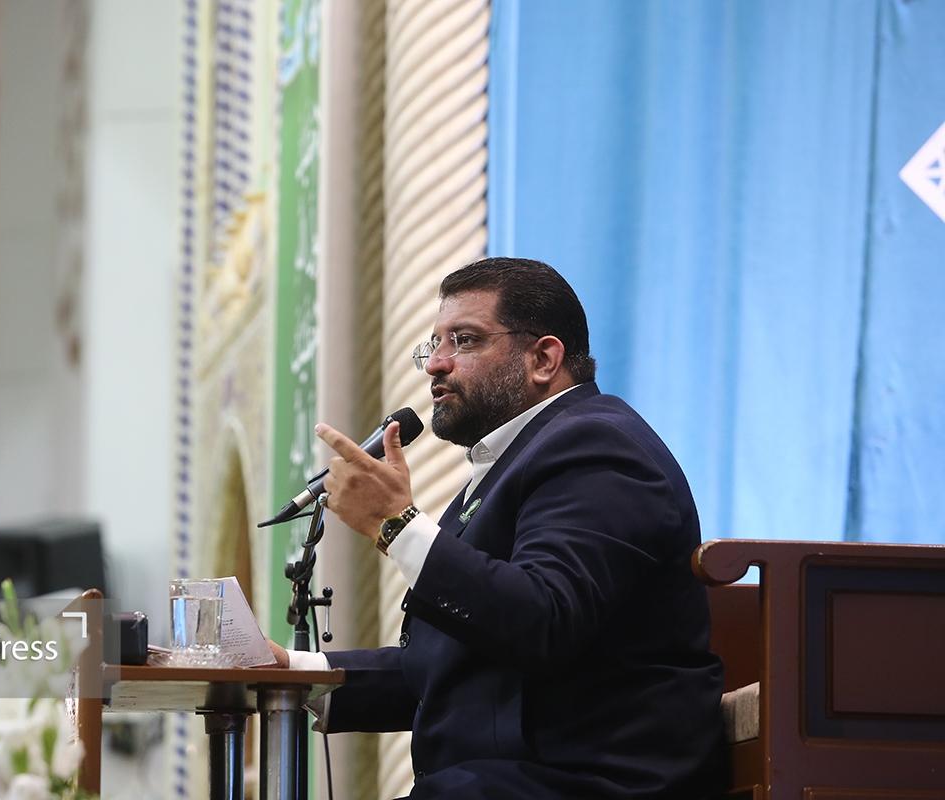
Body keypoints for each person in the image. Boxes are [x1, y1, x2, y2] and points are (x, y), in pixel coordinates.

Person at [271, 257, 726, 799]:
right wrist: (295, 672)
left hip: (589, 784)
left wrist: (396, 525)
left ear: (543, 359)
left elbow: (544, 618)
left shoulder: (597, 447)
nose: (436, 364)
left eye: (464, 340)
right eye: (433, 345)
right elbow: (447, 666)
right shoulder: (515, 466)